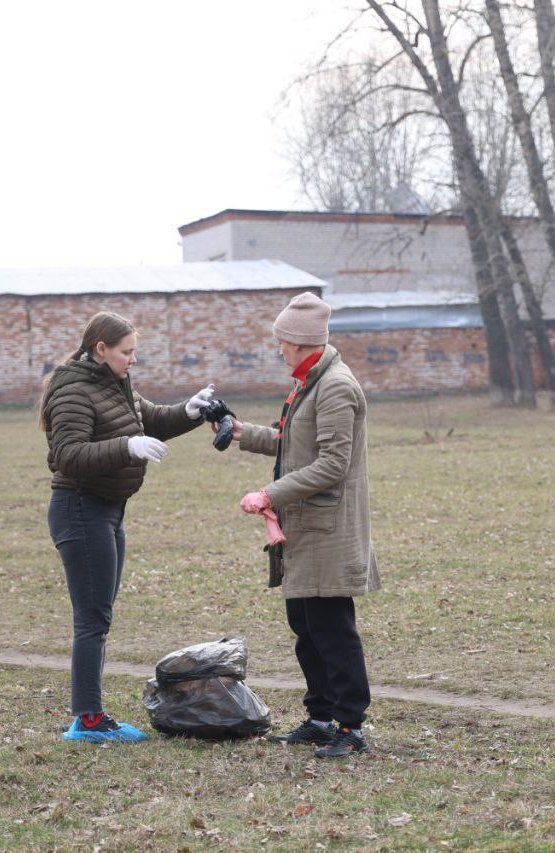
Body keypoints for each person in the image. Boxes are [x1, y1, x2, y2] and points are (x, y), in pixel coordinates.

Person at [39, 311, 216, 744]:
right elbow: (68, 453)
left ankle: (90, 717)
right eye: (126, 352)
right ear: (101, 349)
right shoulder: (74, 390)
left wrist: (189, 411)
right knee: (92, 619)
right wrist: (126, 447)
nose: (132, 360)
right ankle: (87, 720)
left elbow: (147, 419)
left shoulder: (112, 383)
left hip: (108, 510)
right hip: (81, 510)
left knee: (99, 615)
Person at [223, 292, 380, 759]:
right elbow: (294, 443)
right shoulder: (310, 381)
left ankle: (350, 726)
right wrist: (239, 432)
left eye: (281, 341)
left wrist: (269, 495)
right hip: (306, 527)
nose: (278, 349)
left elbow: (333, 464)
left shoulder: (334, 386)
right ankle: (319, 718)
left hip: (328, 529)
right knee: (305, 626)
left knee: (333, 630)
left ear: (298, 342)